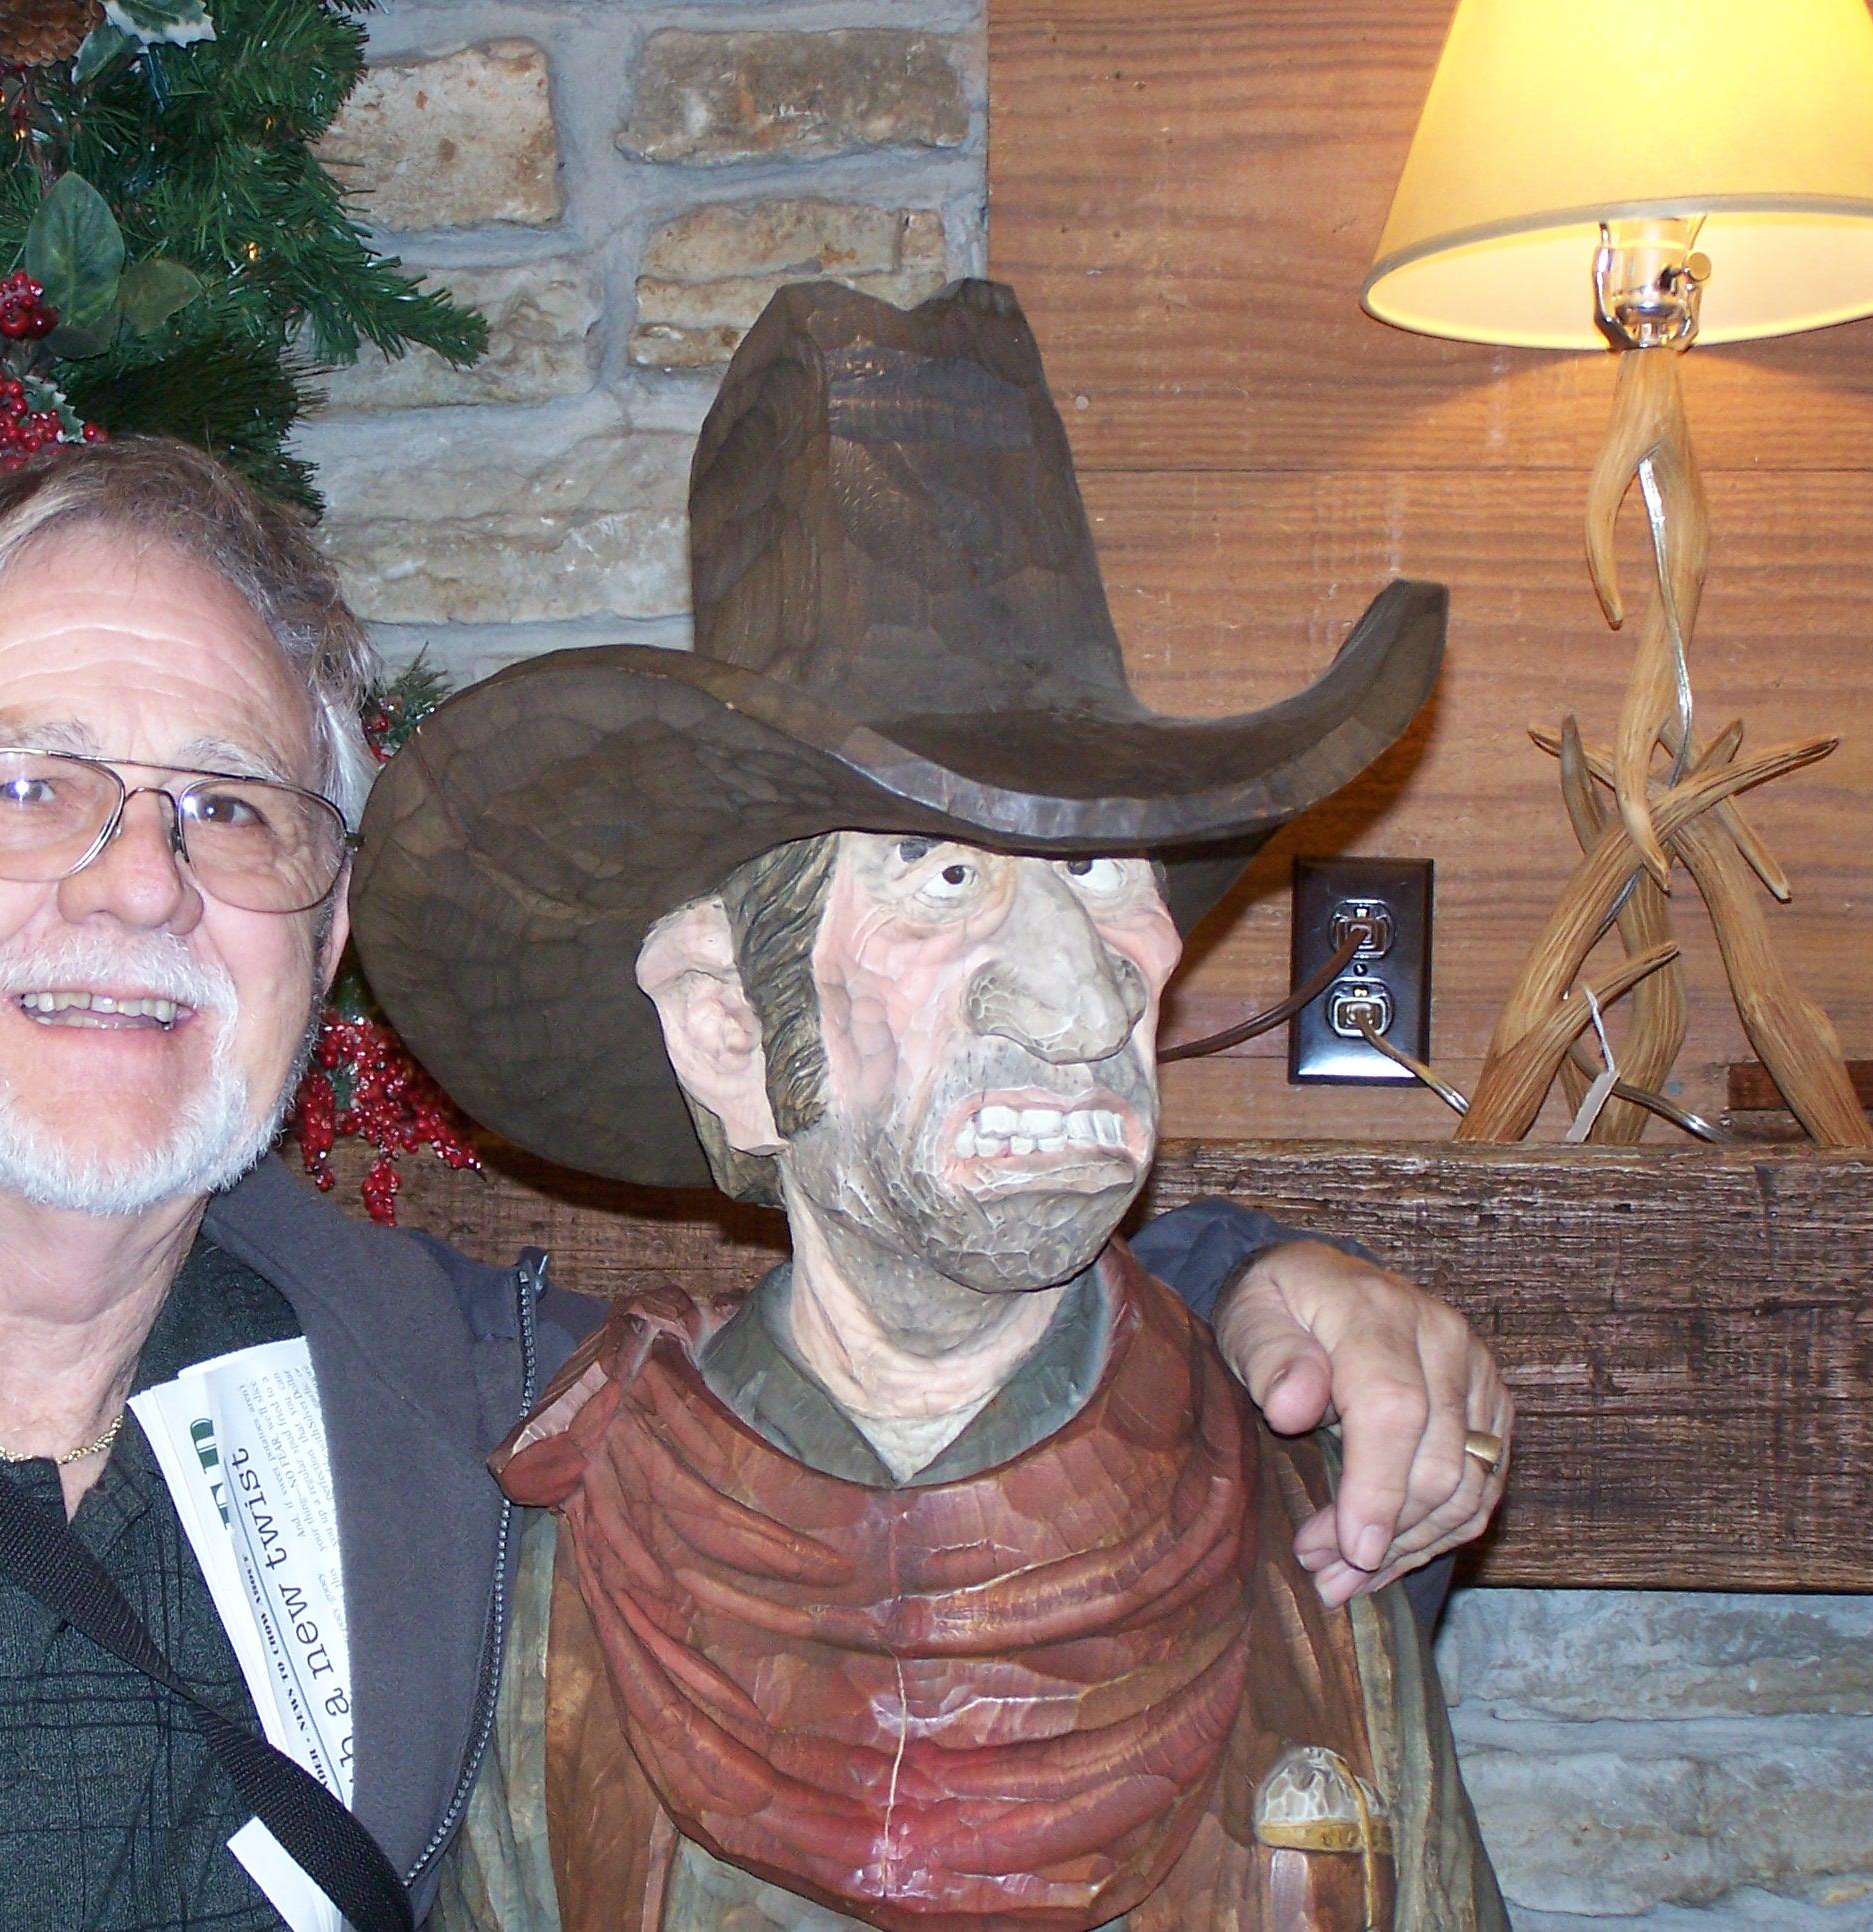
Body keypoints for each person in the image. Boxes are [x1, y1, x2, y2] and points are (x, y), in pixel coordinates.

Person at [0, 435, 1503, 1932]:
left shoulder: (443, 1396)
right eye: (24, 787)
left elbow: (884, 1345)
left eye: (234, 808)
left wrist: (1248, 1279)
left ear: (316, 923)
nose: (141, 878)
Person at [351, 280, 1510, 1927]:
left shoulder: (1306, 1516)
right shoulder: (577, 1557)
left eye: (1102, 870)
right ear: (729, 1026)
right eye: (946, 873)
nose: (1082, 987)